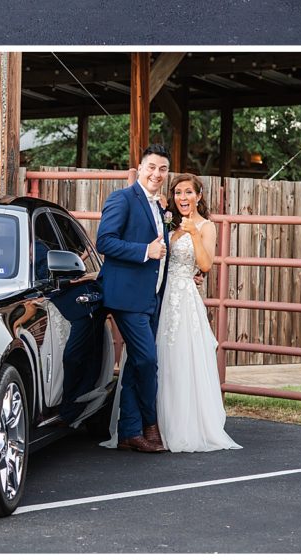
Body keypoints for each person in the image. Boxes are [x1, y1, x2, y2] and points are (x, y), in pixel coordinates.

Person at [155, 173, 242, 452]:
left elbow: (205, 265)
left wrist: (192, 232)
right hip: (160, 296)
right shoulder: (166, 222)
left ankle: (183, 425)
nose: (183, 198)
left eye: (189, 192)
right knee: (159, 357)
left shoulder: (206, 226)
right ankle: (156, 423)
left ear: (199, 196)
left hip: (184, 299)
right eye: (178, 192)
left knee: (183, 357)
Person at [96, 144, 171, 452]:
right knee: (147, 360)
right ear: (140, 168)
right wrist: (145, 252)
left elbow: (163, 250)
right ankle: (150, 427)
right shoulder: (122, 198)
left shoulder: (158, 207)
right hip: (126, 298)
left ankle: (129, 431)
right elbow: (105, 241)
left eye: (163, 169)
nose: (157, 174)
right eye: (151, 167)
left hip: (152, 297)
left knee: (134, 365)